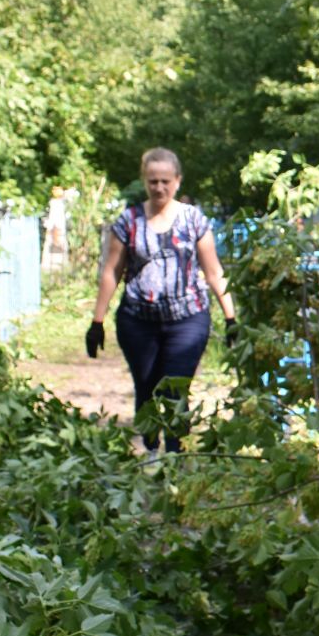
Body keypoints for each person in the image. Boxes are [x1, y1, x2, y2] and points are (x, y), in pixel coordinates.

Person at [86, 148, 237, 455]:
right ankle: (152, 451)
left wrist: (231, 318)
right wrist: (97, 321)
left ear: (178, 181)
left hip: (188, 318)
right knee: (146, 387)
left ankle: (176, 452)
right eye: (153, 181)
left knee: (175, 389)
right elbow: (111, 272)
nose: (159, 187)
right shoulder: (128, 222)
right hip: (138, 320)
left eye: (165, 181)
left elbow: (214, 272)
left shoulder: (194, 220)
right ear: (144, 180)